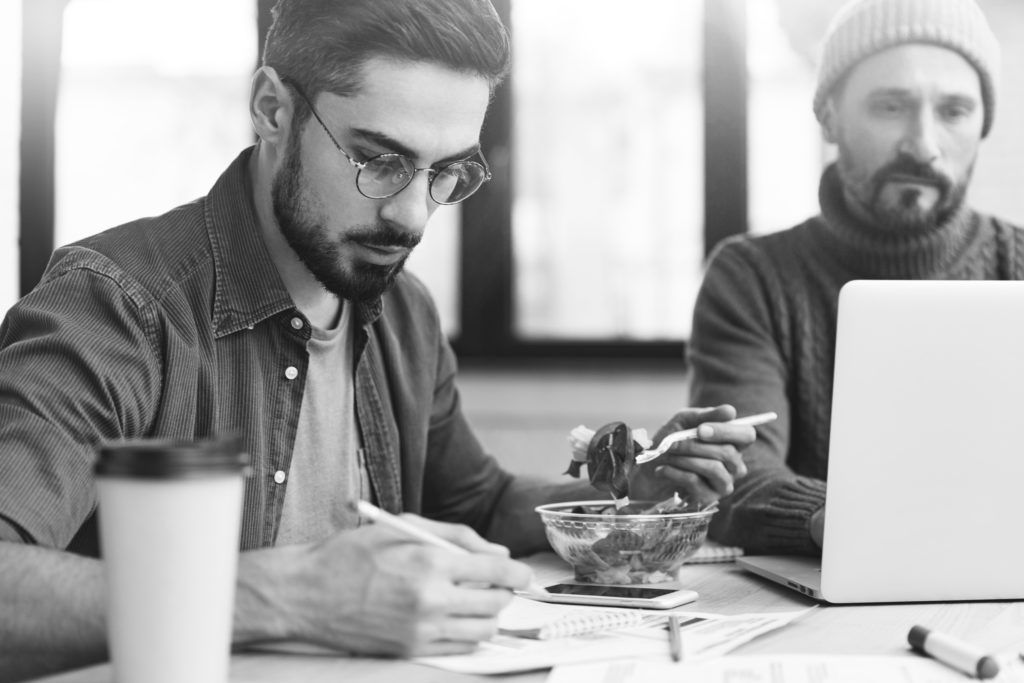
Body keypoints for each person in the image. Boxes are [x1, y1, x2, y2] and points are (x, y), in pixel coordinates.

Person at [0, 1, 756, 679]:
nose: (413, 217)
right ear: (271, 109)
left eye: (444, 173)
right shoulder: (118, 305)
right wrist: (294, 596)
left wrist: (625, 490)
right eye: (379, 160)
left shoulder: (403, 312)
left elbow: (479, 503)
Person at [686, 0, 1024, 556]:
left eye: (955, 111)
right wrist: (876, 528)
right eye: (891, 106)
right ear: (830, 117)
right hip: (819, 597)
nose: (923, 145)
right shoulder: (751, 278)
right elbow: (735, 478)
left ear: (983, 123)